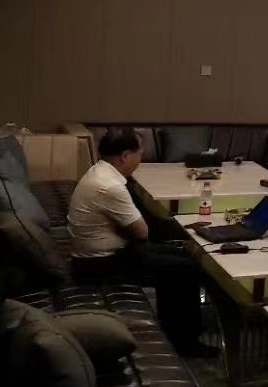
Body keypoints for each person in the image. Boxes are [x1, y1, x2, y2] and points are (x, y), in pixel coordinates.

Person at [68, 127, 217, 358]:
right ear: (125, 156)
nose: (142, 157)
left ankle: (177, 328)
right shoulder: (110, 186)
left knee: (181, 255)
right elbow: (142, 233)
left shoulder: (99, 172)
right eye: (139, 152)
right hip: (100, 263)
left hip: (101, 254)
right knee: (185, 269)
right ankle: (185, 343)